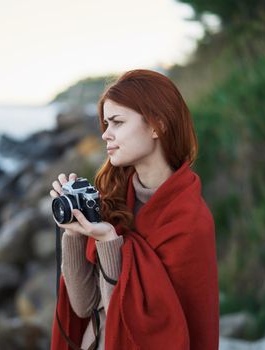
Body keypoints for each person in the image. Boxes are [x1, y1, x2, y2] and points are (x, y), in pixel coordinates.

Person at [49, 69, 219, 350]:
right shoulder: (111, 196)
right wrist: (74, 232)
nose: (105, 134)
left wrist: (110, 243)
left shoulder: (191, 221)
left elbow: (149, 332)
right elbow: (83, 306)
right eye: (105, 124)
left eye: (117, 122)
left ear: (157, 125)